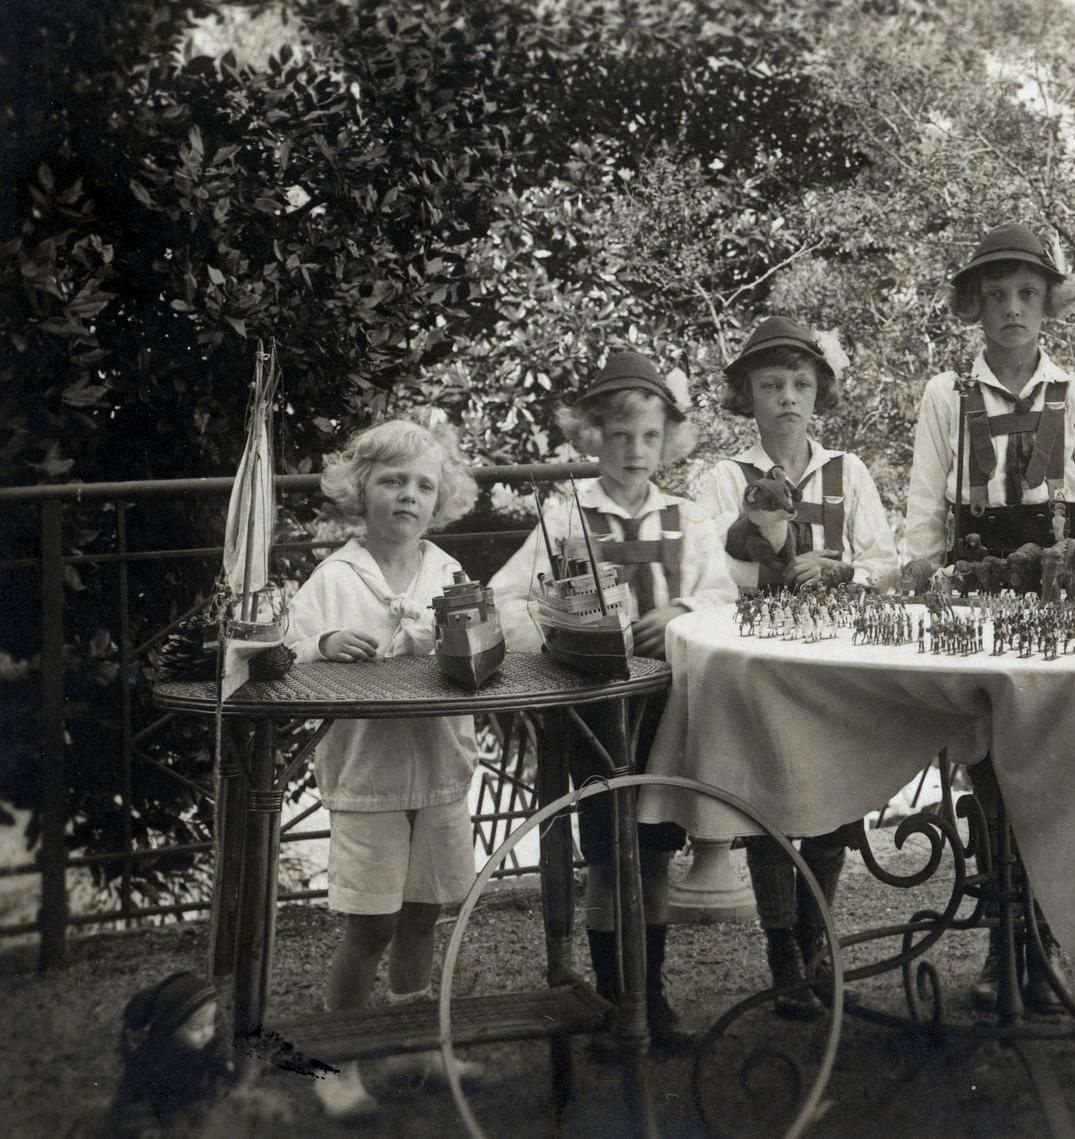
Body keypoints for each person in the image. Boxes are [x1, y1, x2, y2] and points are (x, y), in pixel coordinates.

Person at [490, 351, 736, 1049]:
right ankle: (609, 1001)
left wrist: (683, 609)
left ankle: (651, 997)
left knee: (654, 854)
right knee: (606, 856)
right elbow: (512, 598)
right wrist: (566, 615)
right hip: (596, 712)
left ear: (669, 442)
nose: (634, 451)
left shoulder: (687, 518)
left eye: (649, 437)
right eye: (619, 435)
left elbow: (723, 596)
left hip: (664, 710)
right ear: (593, 435)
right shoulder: (565, 514)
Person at [904, 223, 1075, 1012]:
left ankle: (1044, 936)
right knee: (990, 763)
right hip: (974, 584)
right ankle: (1001, 933)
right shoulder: (944, 395)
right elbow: (925, 507)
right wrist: (922, 584)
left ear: (1049, 304)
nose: (1013, 310)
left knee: (1055, 759)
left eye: (1028, 294)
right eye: (996, 296)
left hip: (1057, 587)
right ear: (975, 308)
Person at [695, 316, 897, 1018]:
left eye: (801, 384)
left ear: (820, 394)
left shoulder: (849, 473)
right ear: (747, 394)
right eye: (771, 384)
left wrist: (841, 568)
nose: (787, 397)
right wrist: (766, 566)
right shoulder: (725, 478)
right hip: (761, 664)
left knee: (834, 799)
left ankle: (816, 942)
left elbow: (887, 562)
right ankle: (783, 949)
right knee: (770, 802)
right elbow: (707, 573)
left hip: (835, 659)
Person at [284, 415, 483, 1117]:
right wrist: (327, 641)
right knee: (370, 923)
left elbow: (482, 641)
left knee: (426, 911)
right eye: (391, 481)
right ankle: (330, 1061)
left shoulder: (448, 571)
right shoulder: (336, 575)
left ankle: (413, 1040)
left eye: (423, 485)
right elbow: (289, 644)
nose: (407, 496)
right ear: (358, 491)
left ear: (440, 499)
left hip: (437, 761)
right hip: (369, 770)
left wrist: (460, 633)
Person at [108, 972, 231, 1137]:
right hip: (160, 1122)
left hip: (194, 1113)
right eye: (196, 1027)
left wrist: (225, 1067)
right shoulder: (149, 1062)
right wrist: (148, 1132)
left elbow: (220, 1059)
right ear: (170, 1029)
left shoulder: (207, 1046)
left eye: (209, 1023)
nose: (206, 1032)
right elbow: (136, 1103)